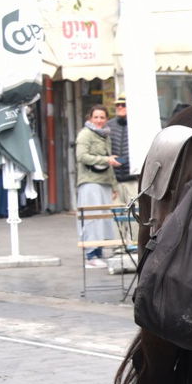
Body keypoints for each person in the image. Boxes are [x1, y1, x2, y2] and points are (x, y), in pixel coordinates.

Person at [76, 104, 119, 268]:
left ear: (106, 119)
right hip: (90, 181)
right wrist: (105, 160)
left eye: (102, 117)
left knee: (103, 219)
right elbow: (81, 156)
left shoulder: (105, 136)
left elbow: (109, 163)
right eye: (96, 117)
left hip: (104, 182)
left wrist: (114, 186)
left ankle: (98, 253)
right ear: (90, 118)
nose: (99, 120)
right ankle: (91, 255)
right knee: (92, 218)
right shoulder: (85, 134)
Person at [106, 97, 138, 207]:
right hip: (114, 181)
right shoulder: (109, 126)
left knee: (135, 212)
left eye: (123, 105)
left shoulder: (137, 125)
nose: (120, 107)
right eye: (117, 105)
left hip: (133, 180)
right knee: (116, 213)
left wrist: (121, 160)